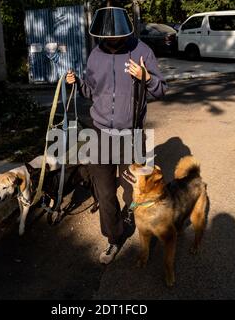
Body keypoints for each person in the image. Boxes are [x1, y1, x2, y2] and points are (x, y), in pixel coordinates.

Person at [66, 6, 167, 264]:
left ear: (126, 31)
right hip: (100, 133)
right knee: (105, 190)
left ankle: (135, 216)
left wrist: (146, 76)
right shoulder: (95, 55)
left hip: (131, 133)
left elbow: (161, 90)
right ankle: (113, 238)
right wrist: (77, 83)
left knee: (133, 187)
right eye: (106, 38)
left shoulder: (142, 51)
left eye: (115, 38)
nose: (111, 42)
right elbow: (91, 91)